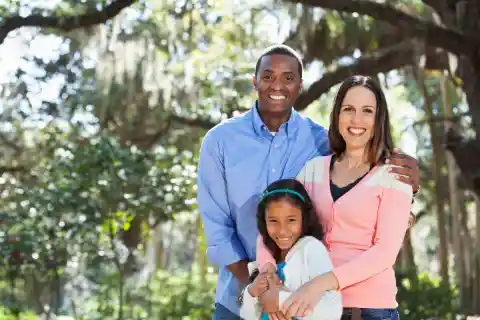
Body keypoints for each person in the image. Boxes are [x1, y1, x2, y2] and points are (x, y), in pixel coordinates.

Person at [197, 44, 420, 320]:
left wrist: (410, 183)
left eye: (288, 77)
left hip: (328, 303)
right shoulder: (221, 142)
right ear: (255, 81)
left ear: (300, 85)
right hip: (253, 300)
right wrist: (266, 282)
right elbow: (224, 232)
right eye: (268, 76)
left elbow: (384, 247)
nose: (277, 85)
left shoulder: (321, 142)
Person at [257, 75, 413, 320]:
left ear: (378, 119)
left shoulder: (394, 176)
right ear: (337, 115)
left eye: (367, 111)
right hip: (310, 308)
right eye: (348, 109)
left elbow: (384, 252)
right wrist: (267, 273)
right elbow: (272, 221)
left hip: (367, 310)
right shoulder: (312, 170)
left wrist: (319, 284)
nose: (356, 120)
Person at [239, 179, 342, 320]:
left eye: (291, 220)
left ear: (304, 219)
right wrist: (251, 293)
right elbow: (248, 316)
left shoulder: (311, 249)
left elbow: (332, 312)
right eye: (273, 221)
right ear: (264, 221)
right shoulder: (266, 259)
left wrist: (280, 300)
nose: (282, 231)